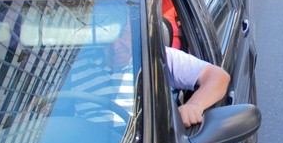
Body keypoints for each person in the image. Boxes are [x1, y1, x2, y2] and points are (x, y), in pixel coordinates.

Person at [68, 17, 230, 128]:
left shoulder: (158, 57)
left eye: (123, 35)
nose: (116, 45)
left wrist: (194, 106)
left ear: (137, 33)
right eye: (109, 37)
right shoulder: (77, 64)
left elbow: (218, 77)